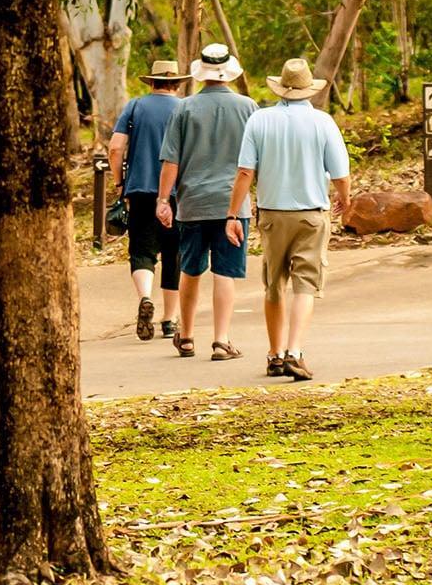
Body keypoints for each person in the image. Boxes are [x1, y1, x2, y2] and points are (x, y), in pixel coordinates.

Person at [225, 59, 350, 382]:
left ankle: (275, 353)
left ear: (280, 88)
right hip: (311, 215)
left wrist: (232, 214)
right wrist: (345, 200)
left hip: (271, 214)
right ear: (309, 90)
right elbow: (340, 174)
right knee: (305, 283)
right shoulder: (323, 123)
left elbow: (244, 172)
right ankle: (295, 351)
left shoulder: (260, 120)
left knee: (274, 282)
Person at [156, 44, 258, 361]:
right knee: (224, 273)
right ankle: (221, 340)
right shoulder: (248, 107)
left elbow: (171, 161)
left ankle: (185, 336)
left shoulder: (183, 109)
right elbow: (255, 161)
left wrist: (163, 200)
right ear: (228, 71)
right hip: (233, 205)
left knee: (191, 269)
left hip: (193, 203)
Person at [110, 61, 187, 342]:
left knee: (142, 249)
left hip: (140, 190)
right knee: (173, 252)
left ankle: (145, 297)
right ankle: (170, 320)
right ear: (177, 84)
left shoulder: (135, 106)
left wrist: (120, 183)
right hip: (179, 191)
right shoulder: (185, 108)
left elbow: (116, 147)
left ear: (151, 82)